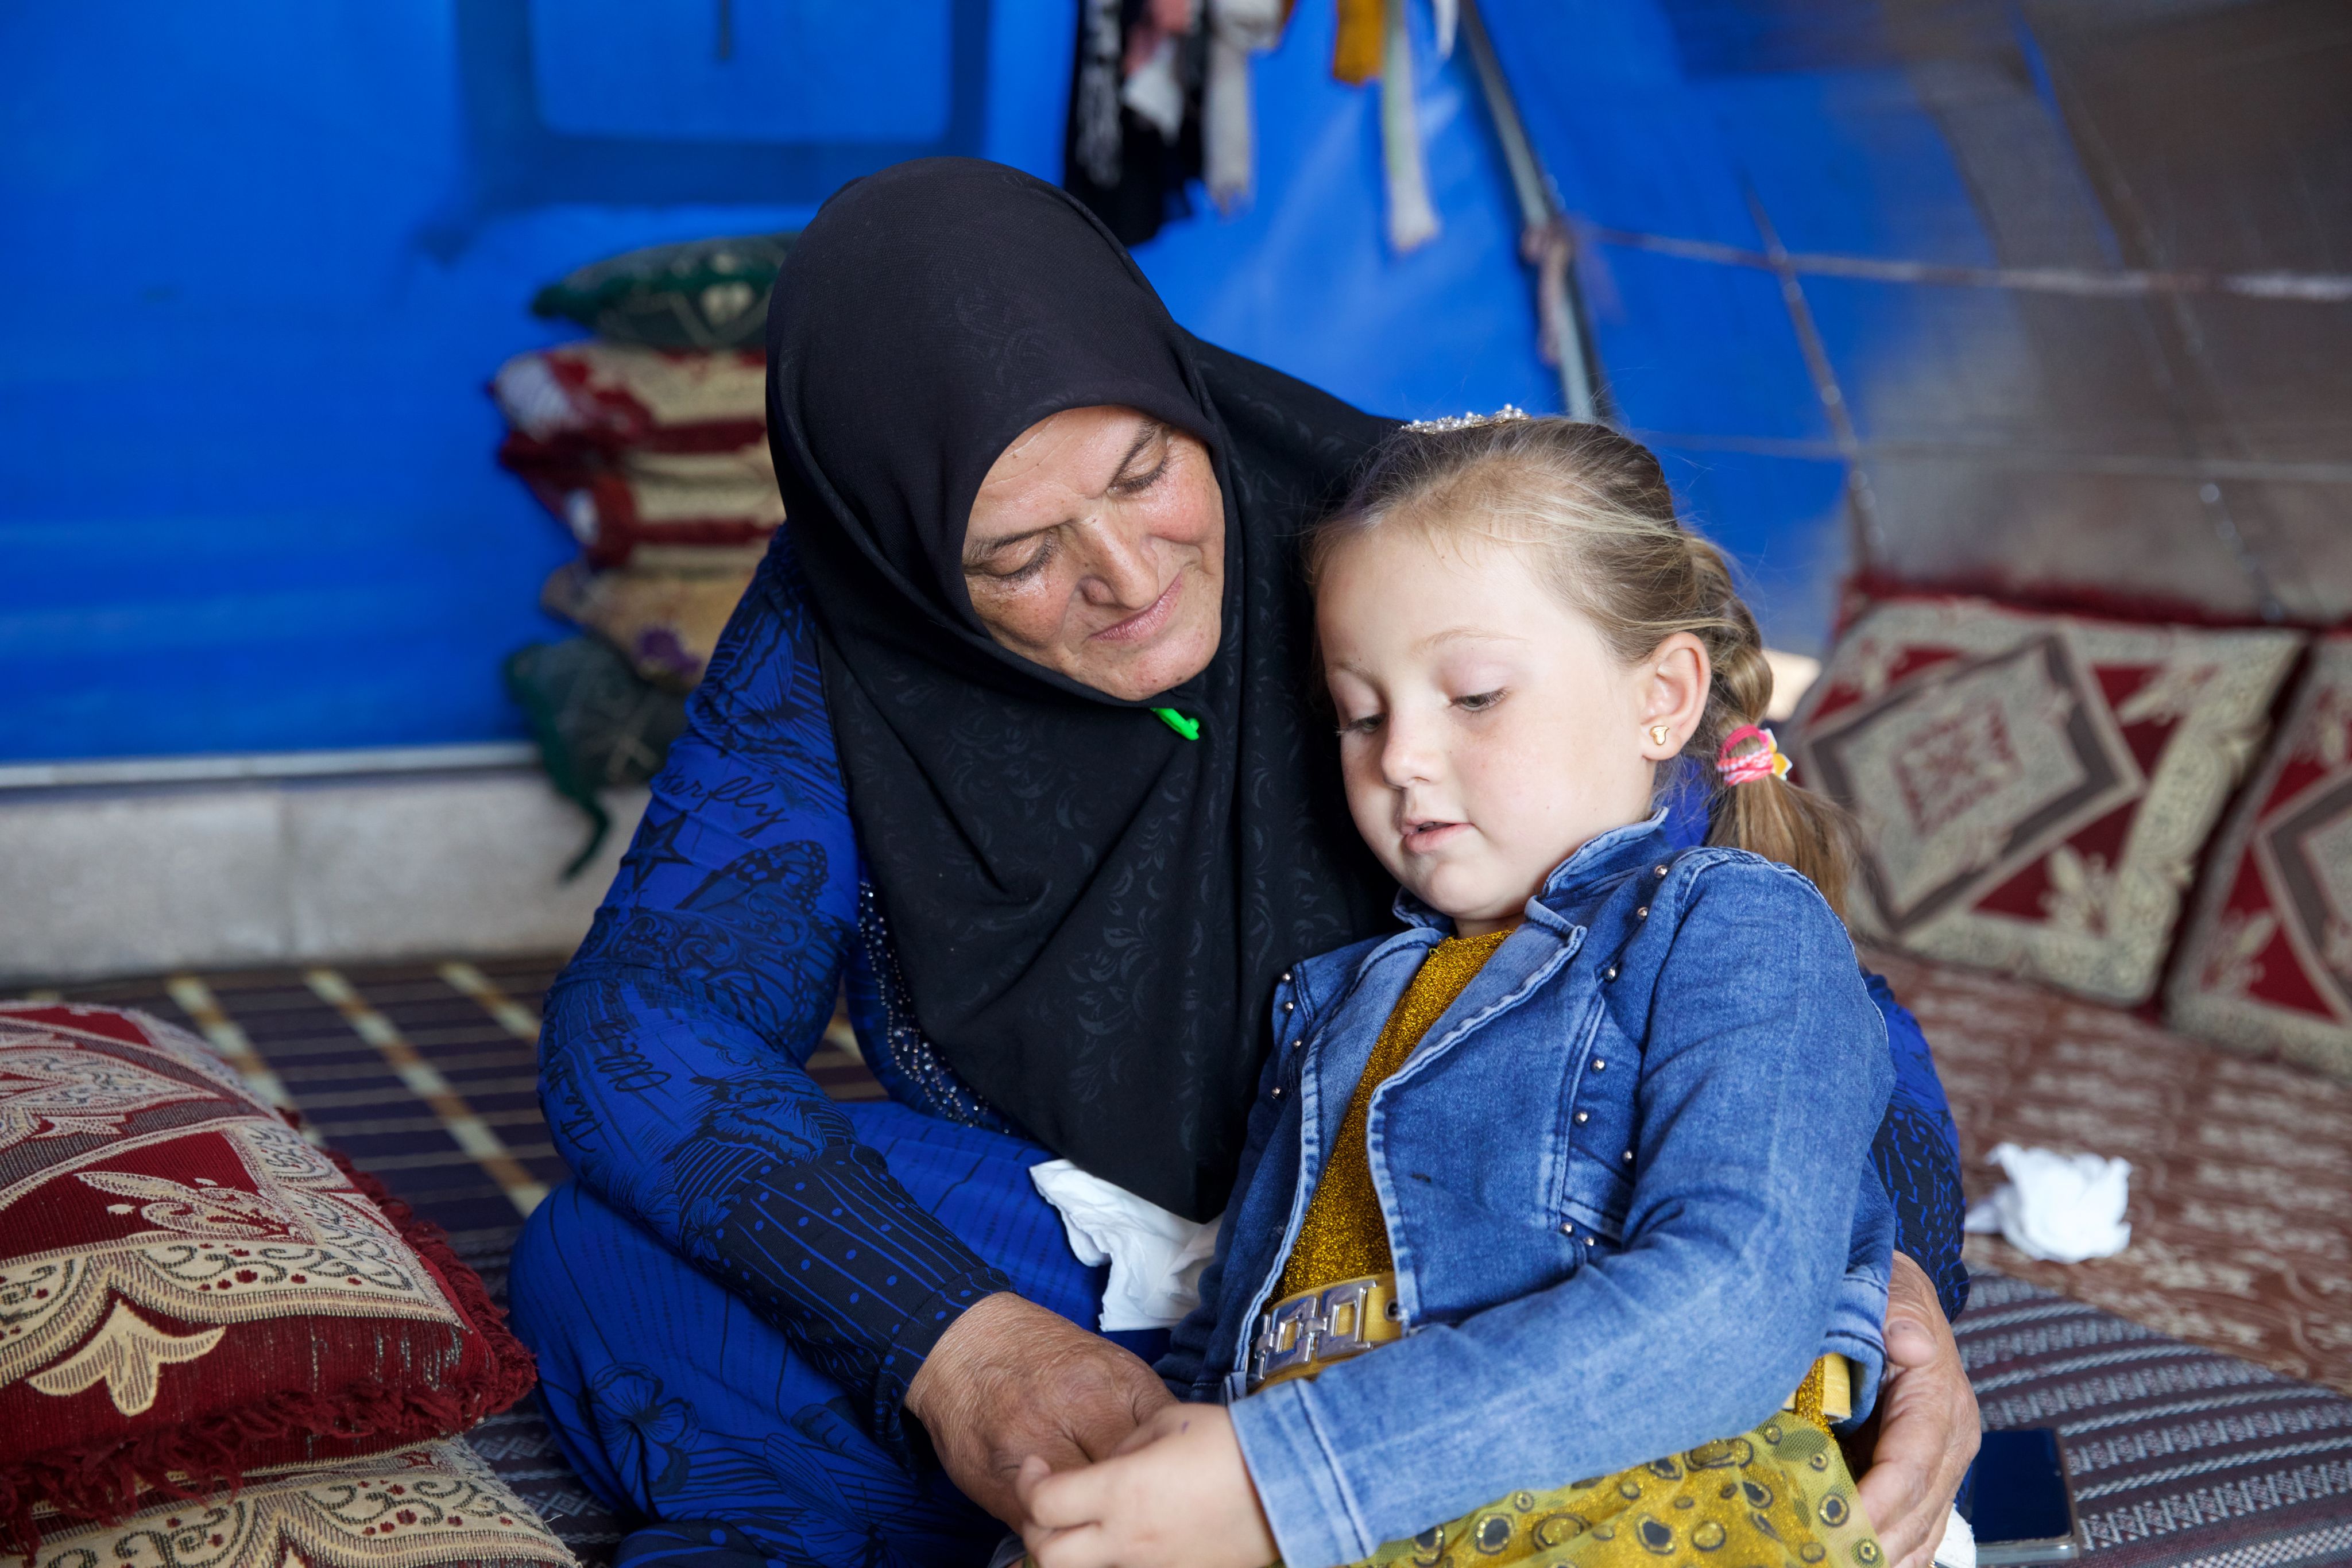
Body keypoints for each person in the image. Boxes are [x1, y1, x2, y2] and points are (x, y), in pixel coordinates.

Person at [505, 158, 1979, 1568]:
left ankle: (1121, 1510)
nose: (1130, 576)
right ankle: (1151, 1495)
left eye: (1146, 470)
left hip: (1489, 1259)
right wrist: (959, 1344)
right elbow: (638, 1033)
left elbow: (1783, 992)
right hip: (1155, 1265)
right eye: (1017, 555)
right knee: (594, 1261)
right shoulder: (846, 629)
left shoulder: (1398, 553)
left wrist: (1896, 1286)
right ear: (907, 562)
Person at [1018, 412, 1904, 1568]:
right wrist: (1152, 1478)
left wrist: (1284, 1476)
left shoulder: (1734, 924)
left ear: (1663, 695)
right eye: (1360, 713)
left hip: (1616, 1508)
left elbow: (1735, 1296)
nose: (1399, 758)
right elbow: (1241, 1318)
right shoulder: (1334, 996)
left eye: (1473, 695)